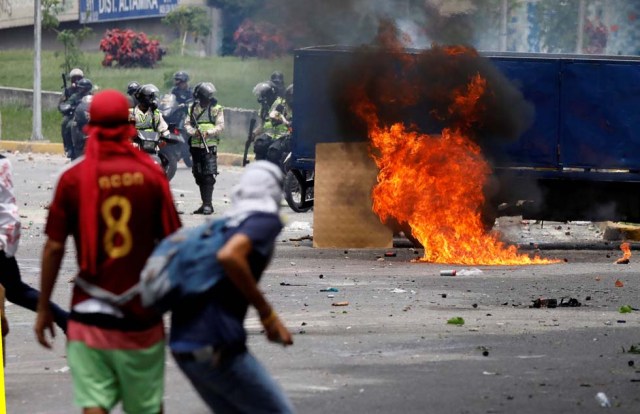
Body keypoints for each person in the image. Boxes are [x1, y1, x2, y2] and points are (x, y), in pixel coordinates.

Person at [35, 89, 182, 414]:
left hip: (89, 313)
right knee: (146, 408)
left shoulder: (72, 178)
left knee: (94, 406)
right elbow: (174, 242)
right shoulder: (153, 175)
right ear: (130, 123)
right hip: (141, 316)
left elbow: (54, 247)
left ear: (90, 125)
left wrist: (44, 307)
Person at [169, 160, 295, 414]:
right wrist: (267, 314)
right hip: (216, 346)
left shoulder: (225, 224)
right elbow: (230, 256)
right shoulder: (262, 219)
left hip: (184, 347)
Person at [0, 155, 68, 331]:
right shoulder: (2, 163)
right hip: (3, 240)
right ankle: (65, 321)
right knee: (16, 291)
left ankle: (65, 321)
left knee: (15, 291)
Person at [185, 82, 224, 215]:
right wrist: (193, 132)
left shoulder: (216, 108)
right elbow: (187, 124)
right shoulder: (192, 108)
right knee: (198, 174)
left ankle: (208, 204)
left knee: (208, 174)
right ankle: (204, 204)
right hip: (195, 144)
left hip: (210, 145)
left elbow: (220, 126)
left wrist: (209, 132)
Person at [263, 84, 293, 167]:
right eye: (290, 96)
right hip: (287, 137)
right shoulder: (282, 106)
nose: (292, 99)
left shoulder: (303, 108)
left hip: (301, 139)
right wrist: (284, 120)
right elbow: (273, 114)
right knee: (273, 152)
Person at [59, 68, 85, 159]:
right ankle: (68, 147)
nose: (77, 80)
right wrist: (66, 107)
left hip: (85, 113)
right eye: (74, 78)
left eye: (79, 78)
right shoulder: (68, 91)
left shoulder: (86, 89)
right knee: (66, 124)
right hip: (72, 114)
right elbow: (61, 104)